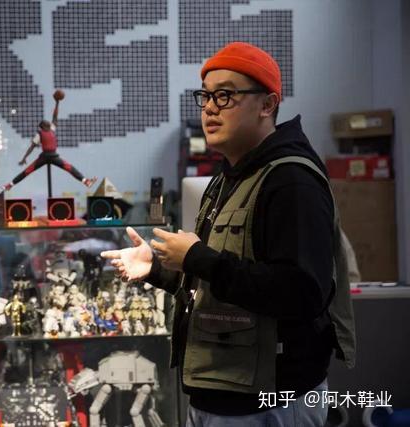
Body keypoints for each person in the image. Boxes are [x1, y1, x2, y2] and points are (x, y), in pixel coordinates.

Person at [101, 42, 355, 426]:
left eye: (225, 95)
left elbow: (302, 292)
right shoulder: (228, 177)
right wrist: (158, 267)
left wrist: (198, 258)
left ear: (267, 105)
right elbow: (224, 279)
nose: (209, 108)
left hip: (269, 403)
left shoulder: (290, 180)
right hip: (219, 391)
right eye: (205, 96)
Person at [4, 90, 96, 191]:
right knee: (27, 171)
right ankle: (10, 185)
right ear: (43, 126)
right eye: (45, 122)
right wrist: (24, 158)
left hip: (53, 156)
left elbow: (55, 116)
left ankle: (86, 182)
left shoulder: (51, 128)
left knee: (70, 168)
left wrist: (57, 103)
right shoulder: (40, 133)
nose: (48, 121)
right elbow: (31, 147)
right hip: (45, 156)